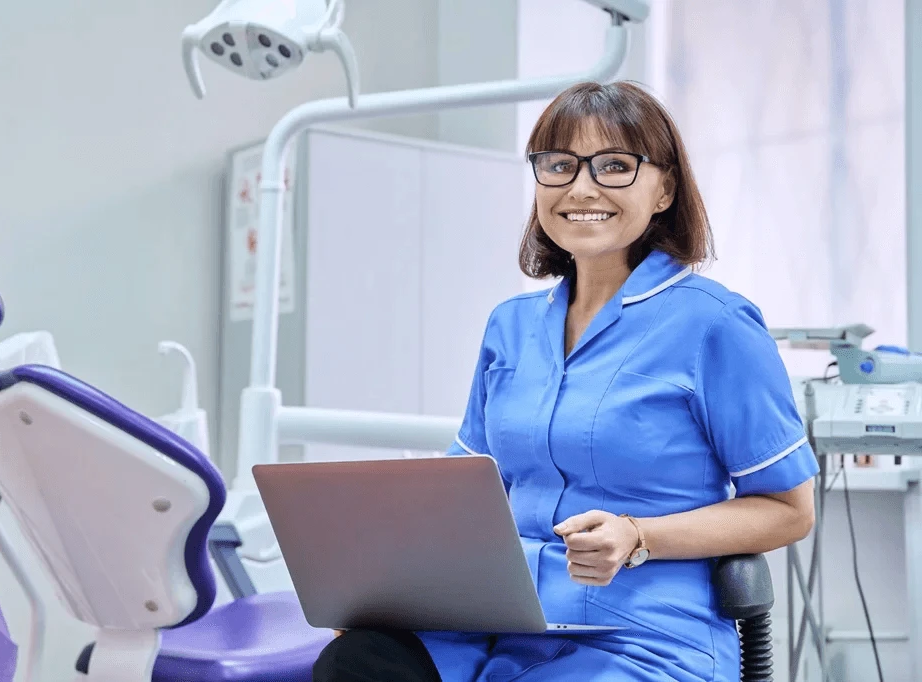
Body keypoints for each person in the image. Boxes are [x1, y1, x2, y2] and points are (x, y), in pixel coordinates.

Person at [312, 80, 819, 682]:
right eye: (559, 166)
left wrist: (637, 535)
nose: (581, 188)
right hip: (496, 623)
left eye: (614, 166)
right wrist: (387, 591)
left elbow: (789, 510)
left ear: (664, 190)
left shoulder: (715, 324)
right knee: (358, 659)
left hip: (639, 636)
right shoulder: (511, 325)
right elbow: (466, 487)